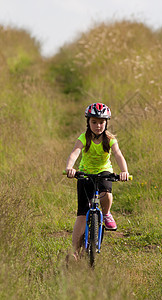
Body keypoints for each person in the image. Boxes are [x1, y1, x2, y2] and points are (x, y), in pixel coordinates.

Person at [65, 102, 129, 259]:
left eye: (101, 122)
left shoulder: (110, 139)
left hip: (104, 171)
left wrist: (124, 172)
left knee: (106, 192)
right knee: (81, 214)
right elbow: (75, 153)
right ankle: (74, 251)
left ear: (106, 123)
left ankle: (106, 214)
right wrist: (70, 168)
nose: (98, 125)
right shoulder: (84, 138)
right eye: (94, 122)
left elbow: (118, 155)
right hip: (85, 173)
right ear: (88, 122)